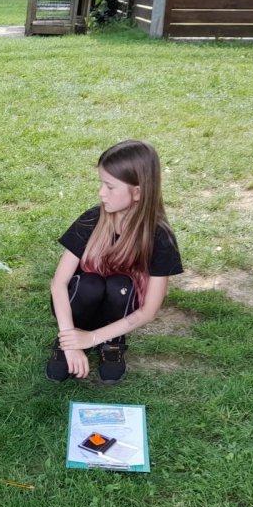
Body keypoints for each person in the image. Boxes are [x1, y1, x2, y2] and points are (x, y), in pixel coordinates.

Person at [47, 139, 183, 384]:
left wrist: (92, 338)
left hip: (120, 313)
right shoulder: (92, 219)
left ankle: (112, 342)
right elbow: (59, 283)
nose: (101, 193)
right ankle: (69, 338)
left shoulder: (160, 238)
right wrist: (70, 340)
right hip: (79, 307)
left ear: (138, 192)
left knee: (122, 285)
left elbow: (149, 311)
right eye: (101, 183)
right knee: (89, 284)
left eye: (110, 186)